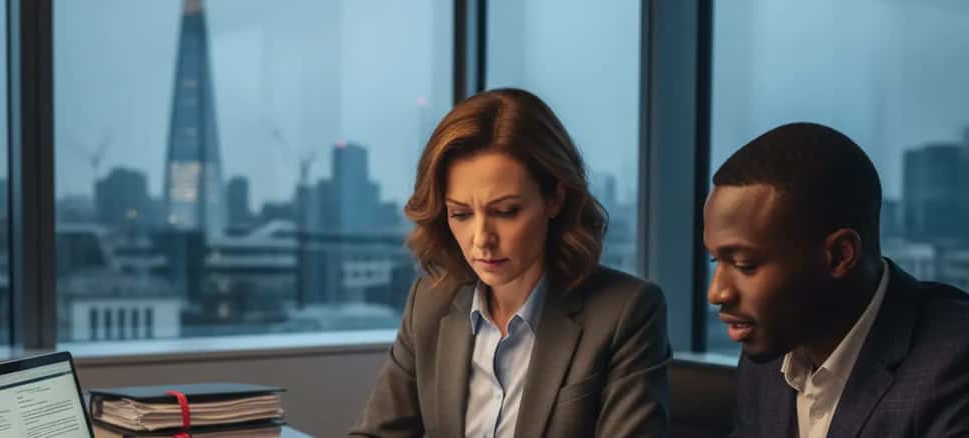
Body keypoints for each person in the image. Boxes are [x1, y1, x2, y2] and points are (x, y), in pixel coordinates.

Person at [350, 88, 671, 437]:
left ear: (555, 199)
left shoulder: (626, 312)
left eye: (505, 212)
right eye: (460, 214)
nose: (481, 239)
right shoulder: (429, 302)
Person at [705, 122, 969, 437]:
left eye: (745, 264)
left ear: (840, 256)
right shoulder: (766, 359)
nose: (716, 292)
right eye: (715, 260)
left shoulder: (954, 364)